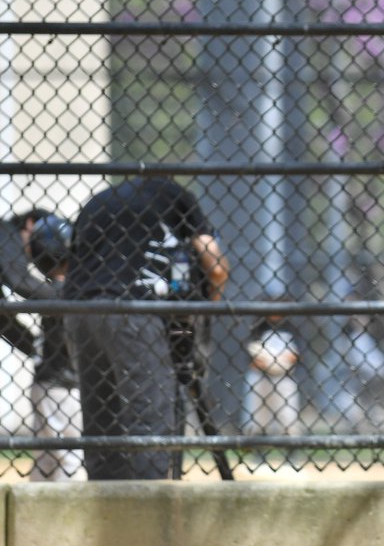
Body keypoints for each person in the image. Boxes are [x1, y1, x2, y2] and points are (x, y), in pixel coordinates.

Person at [63, 177, 229, 480]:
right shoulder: (178, 196)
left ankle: (107, 506)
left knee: (101, 419)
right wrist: (208, 304)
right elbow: (215, 265)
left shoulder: (97, 201)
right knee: (148, 413)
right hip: (132, 308)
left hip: (77, 310)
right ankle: (147, 506)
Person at [0, 210, 84, 480]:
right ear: (30, 224)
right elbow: (18, 280)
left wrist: (36, 347)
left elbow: (2, 319)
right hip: (56, 384)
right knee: (66, 460)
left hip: (50, 380)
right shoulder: (5, 232)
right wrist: (68, 299)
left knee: (49, 461)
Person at [243, 304, 302, 437]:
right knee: (258, 419)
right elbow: (251, 354)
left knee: (288, 417)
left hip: (284, 377)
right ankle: (258, 448)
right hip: (261, 376)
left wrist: (280, 362)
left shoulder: (290, 327)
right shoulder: (259, 326)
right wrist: (263, 362)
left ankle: (290, 448)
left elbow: (298, 354)